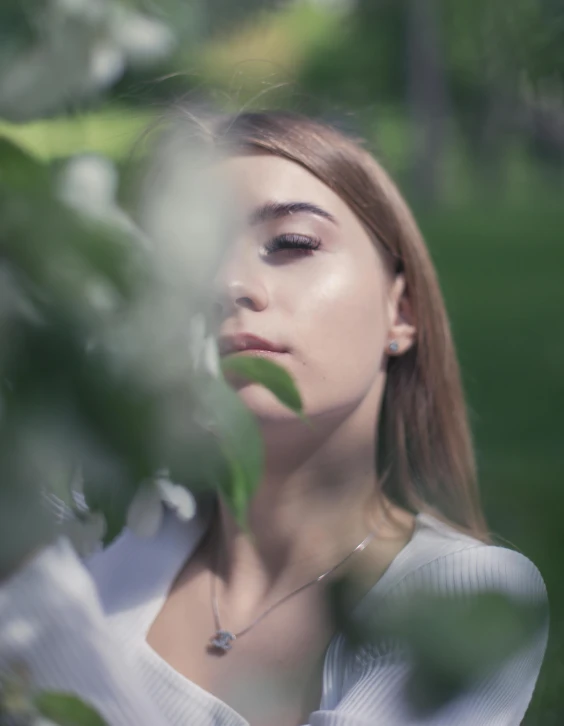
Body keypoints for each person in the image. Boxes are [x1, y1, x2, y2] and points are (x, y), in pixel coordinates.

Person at [0, 111, 548, 726]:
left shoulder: (461, 598)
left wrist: (35, 604)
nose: (228, 284)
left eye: (291, 243)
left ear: (403, 310)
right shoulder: (94, 530)